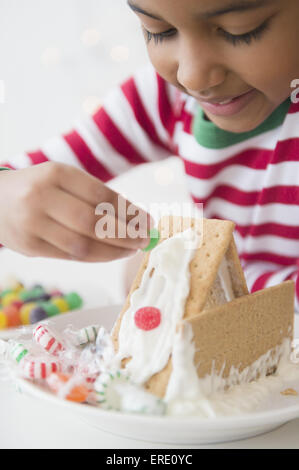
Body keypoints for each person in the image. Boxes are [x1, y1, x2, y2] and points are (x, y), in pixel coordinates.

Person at [1, 0, 299, 306]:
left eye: (239, 31)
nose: (192, 77)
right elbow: (24, 175)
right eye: (159, 31)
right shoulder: (165, 99)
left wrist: (183, 272)